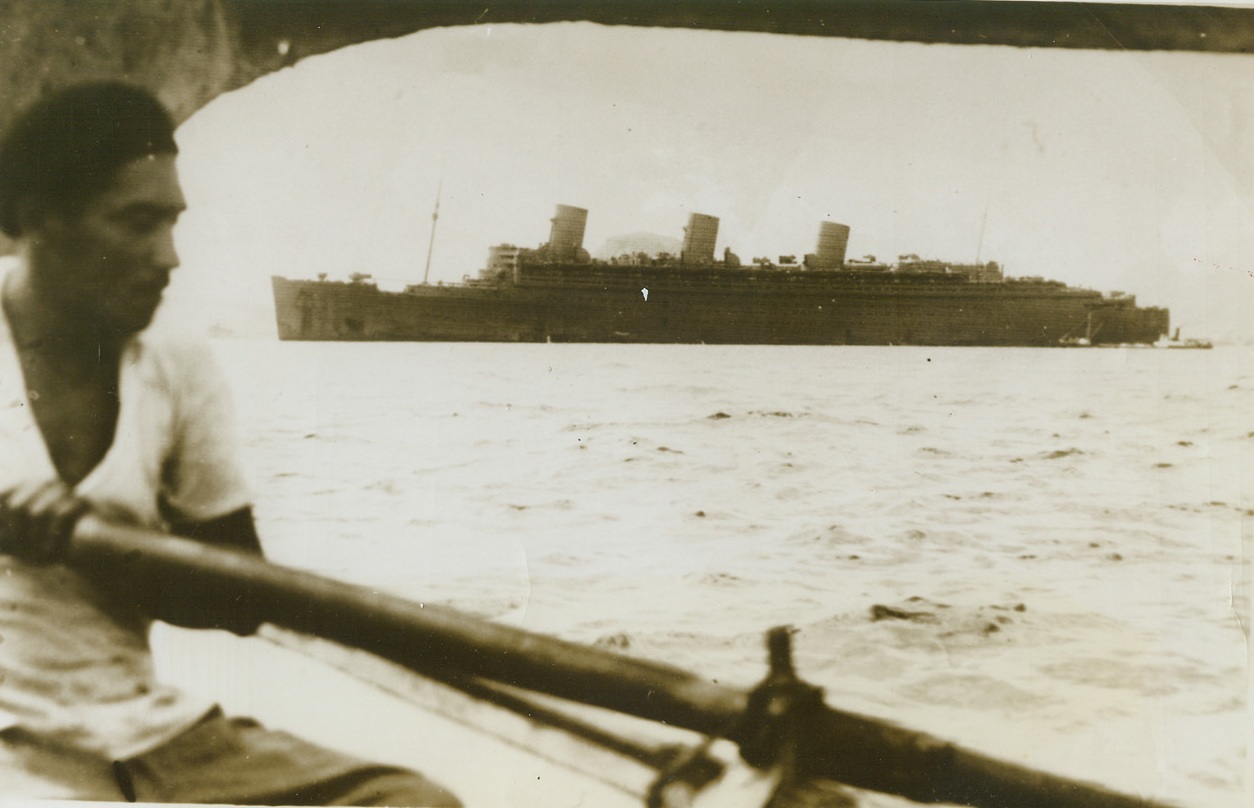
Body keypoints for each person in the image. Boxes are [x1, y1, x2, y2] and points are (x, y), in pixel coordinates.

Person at [0, 81, 461, 806]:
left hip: (141, 733)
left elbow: (237, 594)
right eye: (136, 223)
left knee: (414, 803)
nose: (169, 257)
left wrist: (107, 547)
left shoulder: (176, 361)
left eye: (172, 223)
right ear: (39, 219)